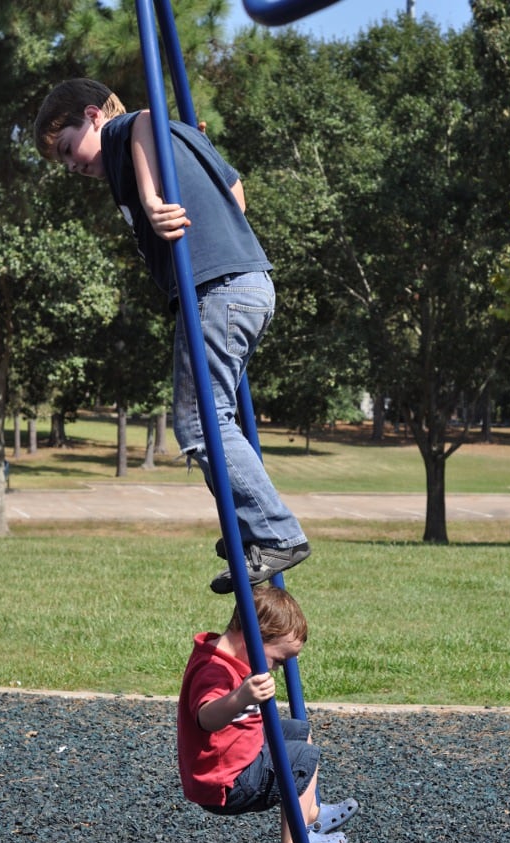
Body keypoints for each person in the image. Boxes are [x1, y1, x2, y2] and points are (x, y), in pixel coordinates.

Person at [34, 78, 310, 594]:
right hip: (249, 285)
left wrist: (152, 197)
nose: (72, 166)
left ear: (93, 116)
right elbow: (235, 192)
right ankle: (254, 529)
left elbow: (141, 118)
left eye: (69, 149)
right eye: (64, 164)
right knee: (214, 419)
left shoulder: (125, 135)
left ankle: (275, 531)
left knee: (199, 424)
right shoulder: (179, 140)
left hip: (216, 289)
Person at [177, 585, 358, 843]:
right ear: (252, 637)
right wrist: (241, 697)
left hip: (240, 752)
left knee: (298, 731)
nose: (274, 669)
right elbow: (206, 718)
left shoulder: (232, 658)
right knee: (302, 757)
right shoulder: (214, 669)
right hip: (226, 781)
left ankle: (309, 813)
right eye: (276, 659)